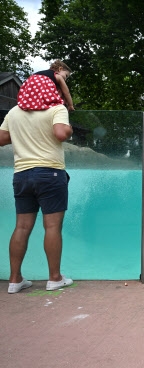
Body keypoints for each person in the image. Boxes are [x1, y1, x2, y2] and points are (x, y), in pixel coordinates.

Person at [0, 89, 74, 293]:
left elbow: (1, 138)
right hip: (49, 173)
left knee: (21, 227)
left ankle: (15, 280)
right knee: (52, 227)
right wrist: (69, 129)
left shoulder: (15, 111)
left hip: (22, 174)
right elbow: (60, 133)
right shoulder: (56, 108)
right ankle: (55, 278)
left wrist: (25, 134)